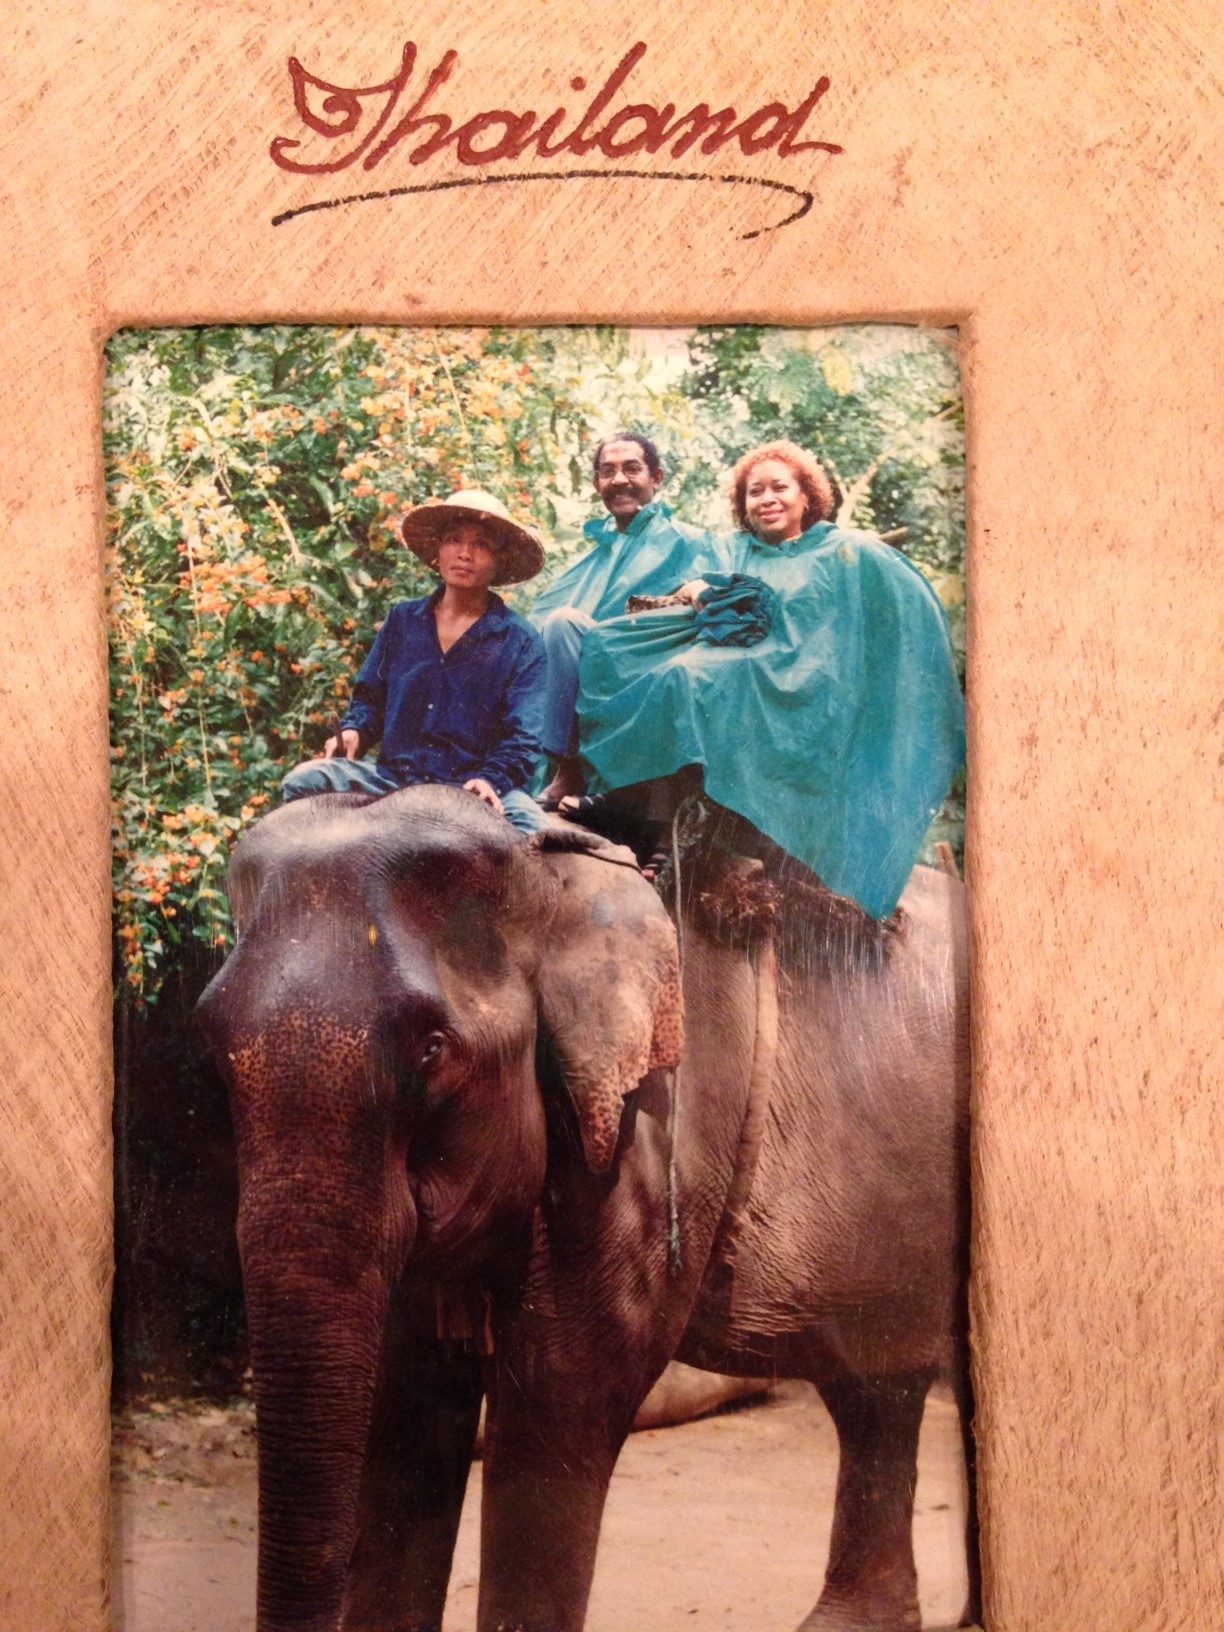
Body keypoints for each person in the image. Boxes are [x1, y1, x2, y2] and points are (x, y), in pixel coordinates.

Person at [571, 441, 966, 919]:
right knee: (645, 658)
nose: (767, 499)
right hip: (737, 669)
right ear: (744, 505)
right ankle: (639, 807)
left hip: (808, 684)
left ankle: (667, 830)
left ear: (806, 497)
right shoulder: (732, 548)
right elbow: (683, 585)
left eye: (780, 487)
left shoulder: (845, 549)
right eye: (755, 492)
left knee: (694, 677)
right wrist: (694, 588)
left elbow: (902, 599)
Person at [281, 489, 550, 835]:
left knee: (535, 832)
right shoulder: (403, 620)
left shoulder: (521, 641)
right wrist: (354, 732)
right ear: (438, 552)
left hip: (469, 788)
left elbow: (524, 737)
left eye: (481, 544)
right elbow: (369, 700)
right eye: (454, 540)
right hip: (392, 780)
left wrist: (489, 780)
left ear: (499, 560)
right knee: (303, 782)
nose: (465, 553)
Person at [529, 432, 721, 806]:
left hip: (650, 665)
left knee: (568, 624)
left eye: (632, 469)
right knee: (559, 623)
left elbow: (703, 606)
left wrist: (651, 609)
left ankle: (578, 774)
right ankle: (567, 768)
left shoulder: (689, 540)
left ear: (657, 478)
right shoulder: (595, 553)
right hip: (594, 668)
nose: (619, 480)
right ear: (596, 483)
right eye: (607, 471)